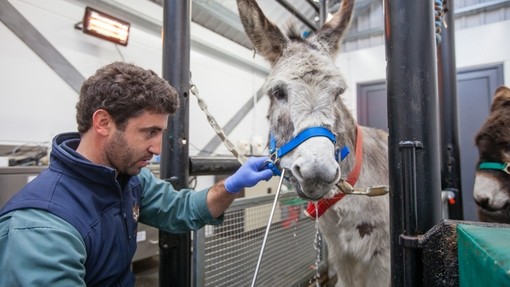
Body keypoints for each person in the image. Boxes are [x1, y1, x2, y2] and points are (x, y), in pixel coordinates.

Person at [0, 62, 273, 286]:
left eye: (160, 133)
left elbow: (182, 208)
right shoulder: (42, 229)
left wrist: (233, 185)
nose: (156, 148)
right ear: (104, 123)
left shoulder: (128, 178)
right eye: (149, 132)